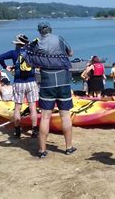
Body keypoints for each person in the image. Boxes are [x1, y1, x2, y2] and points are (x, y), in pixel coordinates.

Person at [34, 22, 75, 158]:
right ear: (50, 29)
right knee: (65, 115)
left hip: (47, 83)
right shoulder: (60, 39)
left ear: (40, 32)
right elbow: (70, 52)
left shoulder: (37, 44)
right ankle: (68, 147)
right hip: (63, 81)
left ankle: (42, 150)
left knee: (45, 117)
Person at [0, 34, 39, 139]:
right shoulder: (31, 52)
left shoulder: (13, 53)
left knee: (17, 107)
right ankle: (34, 131)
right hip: (31, 81)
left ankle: (17, 131)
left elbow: (0, 57)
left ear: (17, 44)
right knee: (33, 107)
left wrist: (6, 67)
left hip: (18, 82)